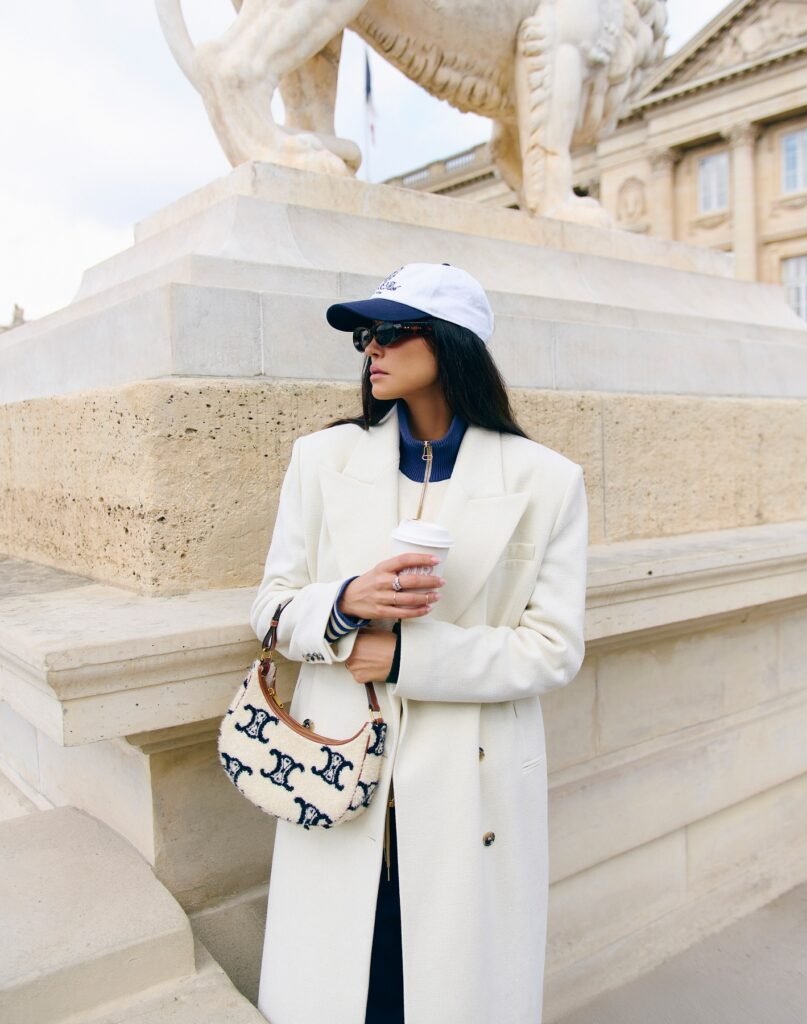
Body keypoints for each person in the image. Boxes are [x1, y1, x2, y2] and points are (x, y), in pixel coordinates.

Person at [250, 263, 588, 1024]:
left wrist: (407, 657)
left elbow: (553, 649)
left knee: (448, 985)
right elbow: (269, 609)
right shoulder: (321, 458)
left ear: (451, 344)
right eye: (364, 336)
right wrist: (341, 604)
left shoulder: (546, 480)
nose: (371, 349)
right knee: (345, 980)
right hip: (335, 759)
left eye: (390, 331)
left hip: (470, 776)